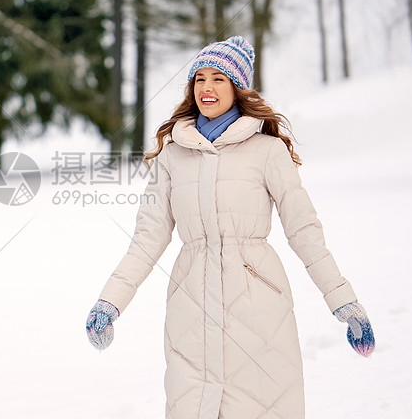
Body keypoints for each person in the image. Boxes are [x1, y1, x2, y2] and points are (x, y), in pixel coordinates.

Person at [84, 36, 375, 419]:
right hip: (191, 305)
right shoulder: (173, 153)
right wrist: (111, 300)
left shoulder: (267, 151)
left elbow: (304, 230)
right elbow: (147, 238)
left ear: (237, 87)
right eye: (199, 78)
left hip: (258, 305)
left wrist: (343, 301)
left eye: (219, 78)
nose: (207, 87)